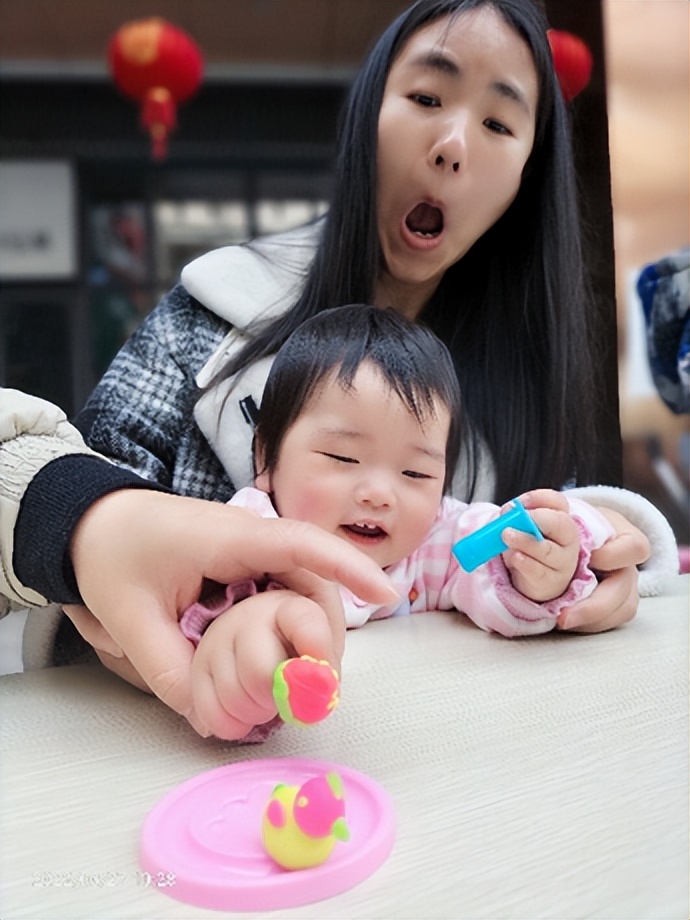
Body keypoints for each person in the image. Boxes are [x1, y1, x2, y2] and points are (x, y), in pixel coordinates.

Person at [3, 0, 678, 728]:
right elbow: (86, 489)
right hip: (165, 738)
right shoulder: (217, 310)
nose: (452, 145)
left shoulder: (526, 366)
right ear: (366, 116)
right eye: (427, 98)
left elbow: (535, 526)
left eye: (498, 123)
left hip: (435, 746)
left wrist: (592, 543)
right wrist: (105, 542)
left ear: (527, 174)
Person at [179, 305, 619, 741]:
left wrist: (539, 570)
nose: (379, 494)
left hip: (411, 733)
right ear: (265, 457)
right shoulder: (248, 539)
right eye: (342, 457)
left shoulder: (436, 541)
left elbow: (495, 556)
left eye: (415, 473)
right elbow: (185, 613)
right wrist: (235, 634)